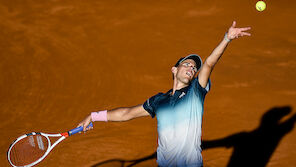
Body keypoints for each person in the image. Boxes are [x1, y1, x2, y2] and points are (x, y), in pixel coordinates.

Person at [77, 21, 251, 167]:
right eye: (187, 64)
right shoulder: (159, 101)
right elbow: (126, 114)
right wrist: (94, 116)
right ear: (175, 70)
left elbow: (208, 64)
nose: (192, 68)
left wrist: (227, 38)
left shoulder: (196, 91)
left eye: (193, 68)